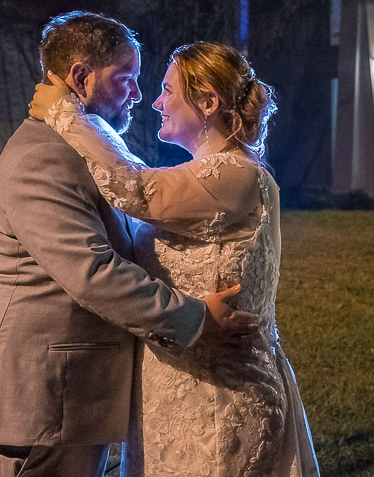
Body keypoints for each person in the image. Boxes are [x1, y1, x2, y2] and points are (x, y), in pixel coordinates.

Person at [0, 12, 257, 477]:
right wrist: (195, 318)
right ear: (80, 77)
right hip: (33, 403)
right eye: (126, 79)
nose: (138, 94)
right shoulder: (43, 158)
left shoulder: (89, 149)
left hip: (70, 402)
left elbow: (135, 190)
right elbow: (93, 274)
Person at [29, 41, 320, 477]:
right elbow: (136, 176)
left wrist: (66, 114)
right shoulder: (211, 175)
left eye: (168, 90)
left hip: (221, 403)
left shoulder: (236, 174)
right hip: (175, 394)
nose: (156, 101)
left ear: (208, 101)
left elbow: (135, 188)